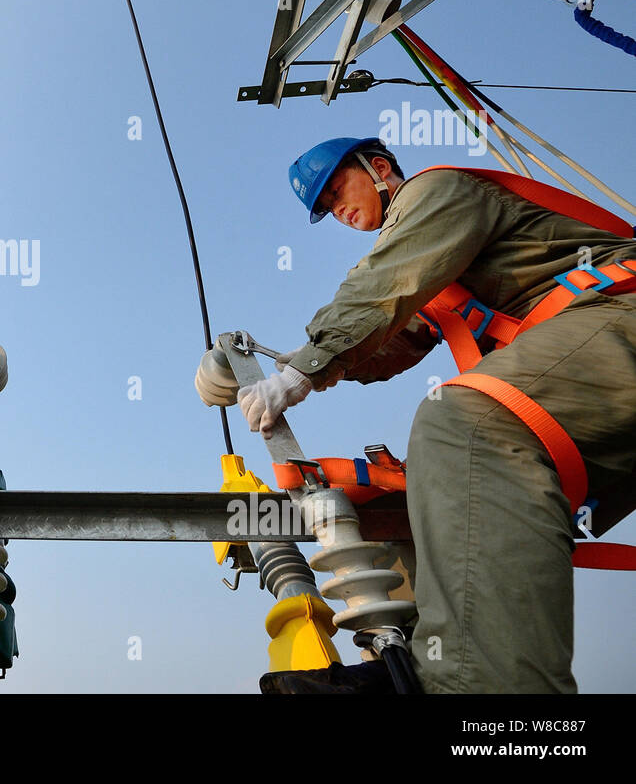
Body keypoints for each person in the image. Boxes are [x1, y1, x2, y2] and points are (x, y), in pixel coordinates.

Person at [196, 136, 636, 693]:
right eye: (329, 208)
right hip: (601, 369)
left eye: (339, 189)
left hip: (619, 315)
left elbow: (383, 285)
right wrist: (267, 365)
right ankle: (418, 671)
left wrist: (301, 371)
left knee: (466, 424)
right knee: (437, 503)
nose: (341, 209)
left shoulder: (437, 193)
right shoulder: (436, 272)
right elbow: (385, 345)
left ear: (378, 167)